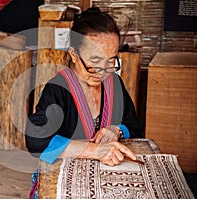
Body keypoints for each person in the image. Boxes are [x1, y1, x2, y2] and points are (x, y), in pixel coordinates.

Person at [25, 7, 144, 198]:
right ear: (73, 54)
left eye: (110, 61)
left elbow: (135, 125)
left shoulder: (114, 84)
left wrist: (116, 130)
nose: (102, 72)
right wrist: (94, 150)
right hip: (64, 178)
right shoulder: (58, 88)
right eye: (94, 62)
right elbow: (36, 140)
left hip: (106, 179)